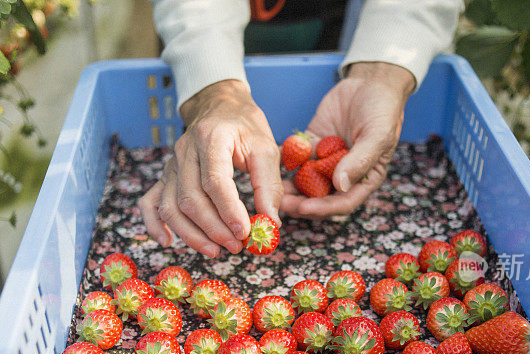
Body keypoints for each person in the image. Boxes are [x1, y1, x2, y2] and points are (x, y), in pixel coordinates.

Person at [139, 0, 463, 258]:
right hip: (211, 32)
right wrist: (212, 90)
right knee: (208, 158)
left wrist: (382, 71)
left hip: (350, 25)